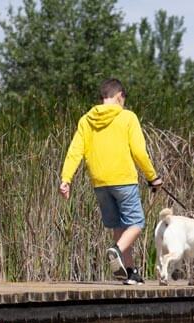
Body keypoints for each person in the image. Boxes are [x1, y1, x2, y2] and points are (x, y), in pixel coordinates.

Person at [58, 78, 163, 285]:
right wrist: (153, 177)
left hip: (100, 183)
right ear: (119, 96)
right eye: (124, 99)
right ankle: (116, 250)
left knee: (119, 226)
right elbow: (139, 152)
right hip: (123, 179)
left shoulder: (86, 120)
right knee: (136, 222)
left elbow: (74, 152)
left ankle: (130, 272)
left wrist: (66, 179)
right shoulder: (127, 117)